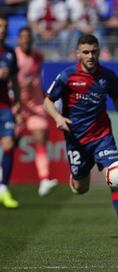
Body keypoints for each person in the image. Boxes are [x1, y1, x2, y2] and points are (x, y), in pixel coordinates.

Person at [43, 34, 118, 239]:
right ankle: (76, 179)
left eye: (94, 51)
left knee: (116, 176)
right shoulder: (67, 76)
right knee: (81, 187)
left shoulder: (108, 76)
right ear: (78, 53)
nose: (91, 56)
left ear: (99, 51)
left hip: (102, 135)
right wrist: (58, 117)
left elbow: (117, 97)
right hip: (76, 140)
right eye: (86, 52)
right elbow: (47, 101)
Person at [15, 26, 58, 197]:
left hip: (35, 106)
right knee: (9, 142)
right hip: (16, 106)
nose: (25, 40)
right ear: (18, 40)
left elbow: (38, 79)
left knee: (40, 139)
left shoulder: (38, 56)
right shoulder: (13, 56)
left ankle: (44, 180)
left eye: (28, 37)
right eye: (22, 37)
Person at [0, 14, 21, 209]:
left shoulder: (10, 53)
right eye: (0, 26)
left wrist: (19, 103)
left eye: (5, 26)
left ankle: (4, 188)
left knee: (8, 145)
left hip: (5, 106)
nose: (3, 30)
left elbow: (14, 81)